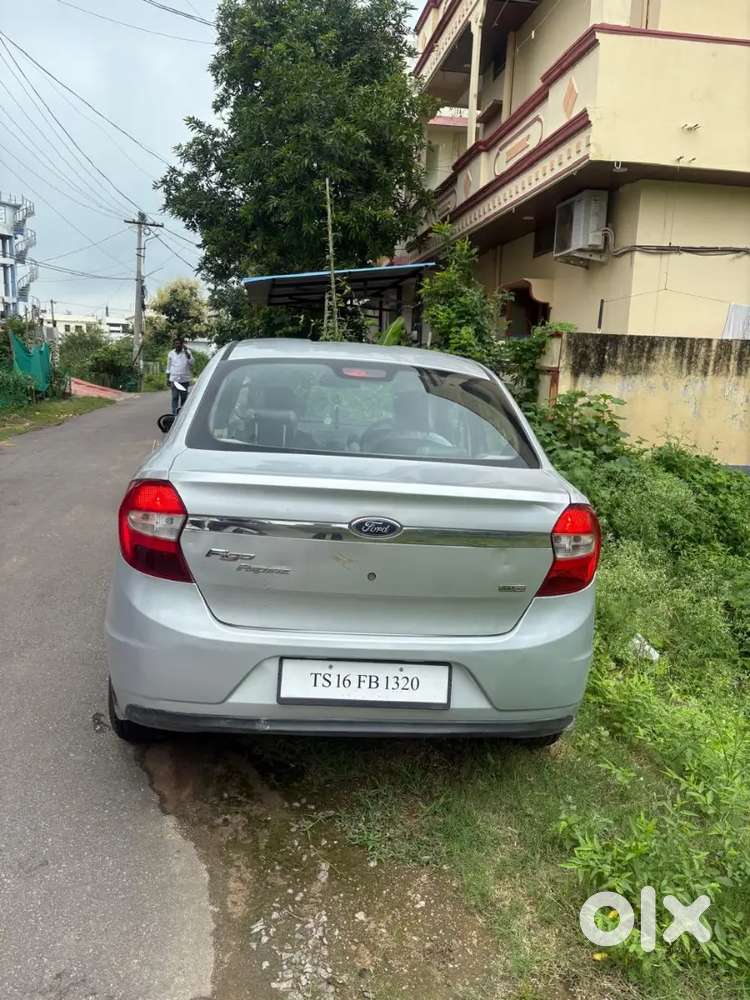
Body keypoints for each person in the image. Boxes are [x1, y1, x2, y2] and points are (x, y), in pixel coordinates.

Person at [166, 337, 193, 415]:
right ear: (174, 344)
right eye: (176, 343)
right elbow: (168, 366)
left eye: (179, 343)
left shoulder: (187, 352)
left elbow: (191, 362)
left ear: (182, 344)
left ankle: (182, 414)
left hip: (184, 380)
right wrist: (167, 378)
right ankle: (174, 414)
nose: (177, 345)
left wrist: (186, 353)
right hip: (174, 379)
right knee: (175, 397)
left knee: (184, 398)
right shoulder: (171, 353)